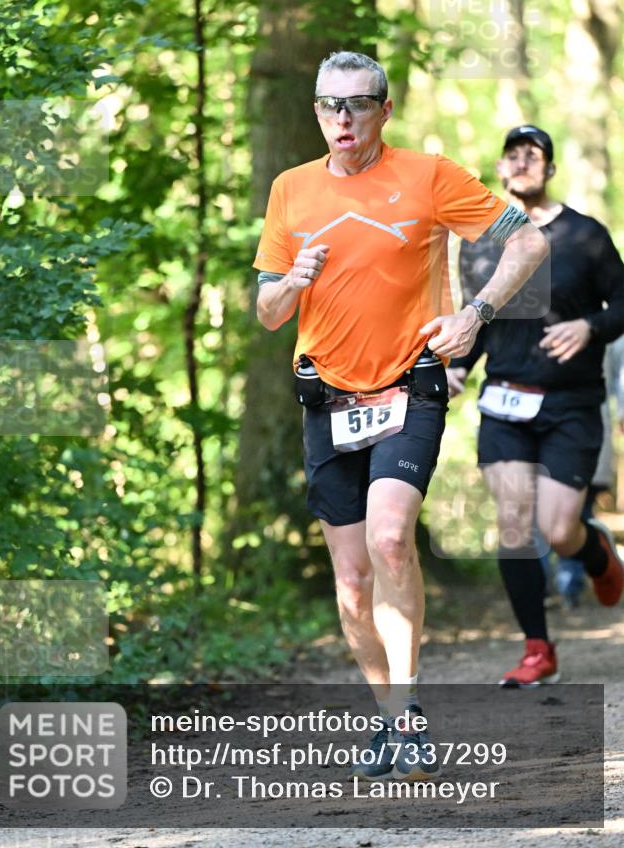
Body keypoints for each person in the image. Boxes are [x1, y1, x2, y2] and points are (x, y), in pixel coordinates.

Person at [253, 52, 548, 779]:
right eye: (328, 105)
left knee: (390, 540)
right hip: (324, 396)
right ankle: (394, 719)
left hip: (406, 386)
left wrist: (475, 314)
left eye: (357, 104)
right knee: (351, 579)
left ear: (385, 109)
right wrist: (291, 282)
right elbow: (266, 314)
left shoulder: (429, 176)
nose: (342, 118)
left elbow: (527, 241)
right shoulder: (290, 190)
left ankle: (409, 708)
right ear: (315, 113)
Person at [448, 125, 624, 687]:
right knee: (514, 523)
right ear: (501, 169)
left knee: (558, 527)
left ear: (548, 170)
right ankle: (537, 650)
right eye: (513, 155)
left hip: (571, 403)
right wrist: (455, 366)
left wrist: (590, 326)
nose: (523, 163)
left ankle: (593, 548)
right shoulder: (478, 241)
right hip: (503, 401)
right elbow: (475, 318)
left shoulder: (586, 235)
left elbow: (623, 304)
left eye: (535, 156)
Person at [553, 338, 624, 608]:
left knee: (575, 513)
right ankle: (543, 585)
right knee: (534, 512)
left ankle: (569, 585)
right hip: (532, 428)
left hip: (588, 425)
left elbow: (621, 373)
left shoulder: (608, 322)